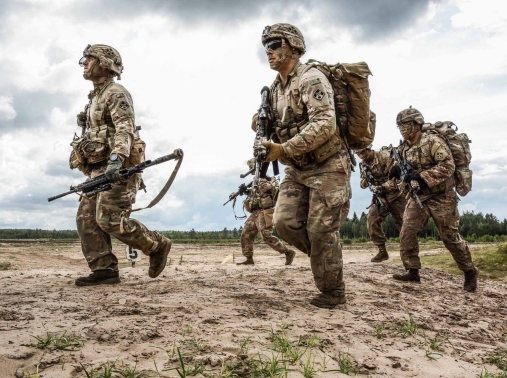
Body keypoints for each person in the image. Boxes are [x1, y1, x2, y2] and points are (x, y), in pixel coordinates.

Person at [258, 24, 352, 308]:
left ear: (293, 46)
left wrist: (283, 148)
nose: (269, 51)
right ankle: (327, 259)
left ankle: (333, 291)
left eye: (275, 44)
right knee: (283, 224)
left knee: (321, 232)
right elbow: (274, 124)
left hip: (328, 165)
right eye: (266, 47)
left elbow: (325, 123)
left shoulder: (311, 78)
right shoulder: (275, 89)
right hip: (298, 168)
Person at [70, 44, 171, 286]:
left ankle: (156, 245)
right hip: (98, 168)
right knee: (86, 218)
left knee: (110, 219)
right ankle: (104, 270)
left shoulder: (116, 92)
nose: (84, 63)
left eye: (89, 58)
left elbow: (125, 127)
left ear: (104, 63)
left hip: (119, 166)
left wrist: (117, 159)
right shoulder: (96, 96)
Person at [389, 107, 479, 292]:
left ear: (416, 124)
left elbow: (448, 166)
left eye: (405, 125)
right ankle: (412, 271)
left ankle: (470, 272)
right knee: (407, 232)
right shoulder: (404, 147)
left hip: (442, 197)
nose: (402, 129)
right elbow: (404, 169)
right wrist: (397, 171)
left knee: (450, 237)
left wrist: (421, 177)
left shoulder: (432, 141)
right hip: (419, 197)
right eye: (399, 126)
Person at [236, 160, 296, 265]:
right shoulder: (255, 182)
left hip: (264, 212)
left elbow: (277, 190)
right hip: (254, 213)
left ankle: (288, 252)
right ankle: (249, 258)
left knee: (267, 236)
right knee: (246, 234)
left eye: (253, 169)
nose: (252, 172)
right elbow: (254, 194)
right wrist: (244, 191)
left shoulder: (269, 179)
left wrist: (268, 185)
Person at [357, 145, 407, 262]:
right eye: (358, 154)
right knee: (372, 220)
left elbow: (397, 180)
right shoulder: (363, 165)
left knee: (404, 226)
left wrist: (381, 187)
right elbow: (363, 184)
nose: (361, 156)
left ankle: (408, 255)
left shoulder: (385, 157)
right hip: (380, 197)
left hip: (397, 196)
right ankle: (382, 251)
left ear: (369, 149)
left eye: (362, 152)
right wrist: (366, 181)